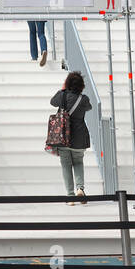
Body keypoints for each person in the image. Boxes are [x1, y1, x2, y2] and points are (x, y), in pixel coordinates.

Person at [50, 72, 92, 203]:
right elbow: (89, 108)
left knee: (66, 166)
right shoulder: (83, 99)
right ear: (81, 86)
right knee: (78, 163)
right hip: (79, 138)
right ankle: (80, 188)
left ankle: (70, 196)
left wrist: (62, 89)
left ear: (67, 84)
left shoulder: (62, 96)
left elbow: (52, 102)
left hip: (64, 138)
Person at [23, 0, 50, 65]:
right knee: (41, 33)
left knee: (32, 32)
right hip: (40, 8)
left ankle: (34, 56)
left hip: (29, 9)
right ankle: (44, 50)